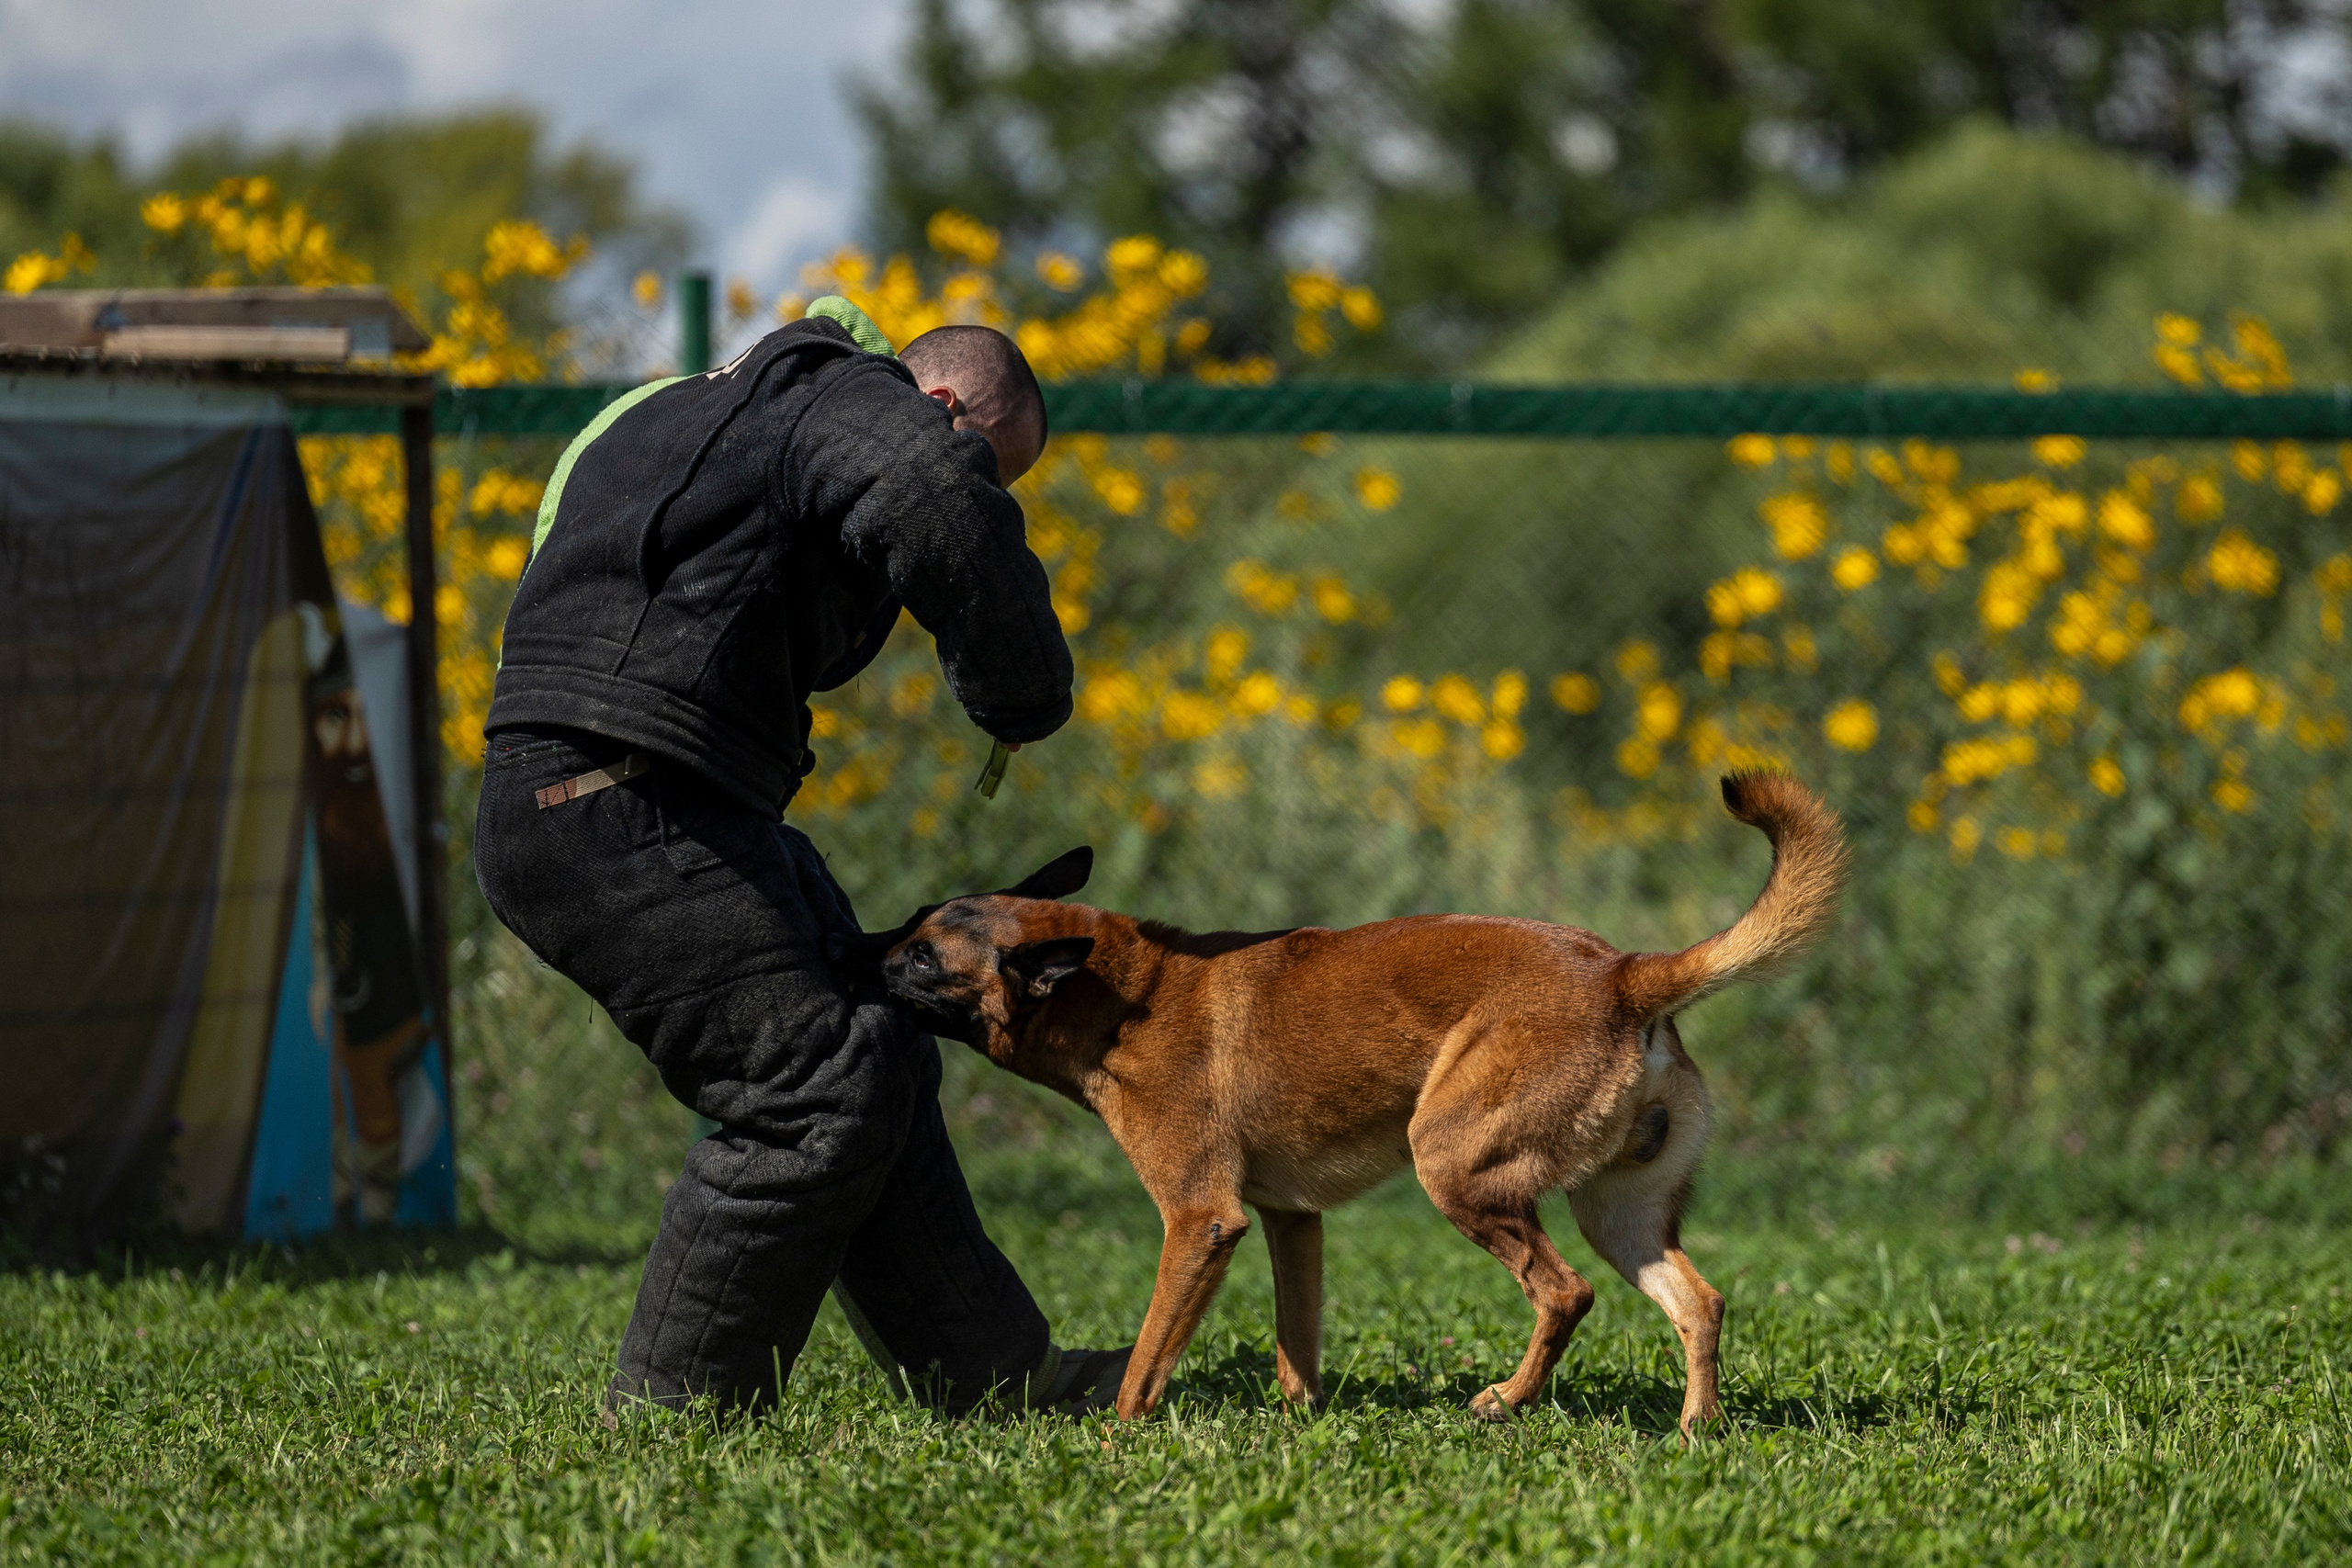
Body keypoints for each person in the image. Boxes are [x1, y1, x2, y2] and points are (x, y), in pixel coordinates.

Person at [473, 299, 1129, 1418]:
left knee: (875, 1042)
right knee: (812, 1086)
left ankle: (991, 1375)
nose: (985, 492)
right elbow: (928, 492)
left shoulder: (712, 409)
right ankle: (677, 1416)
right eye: (991, 469)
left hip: (660, 793)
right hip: (607, 798)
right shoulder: (842, 399)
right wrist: (1022, 693)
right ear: (938, 407)